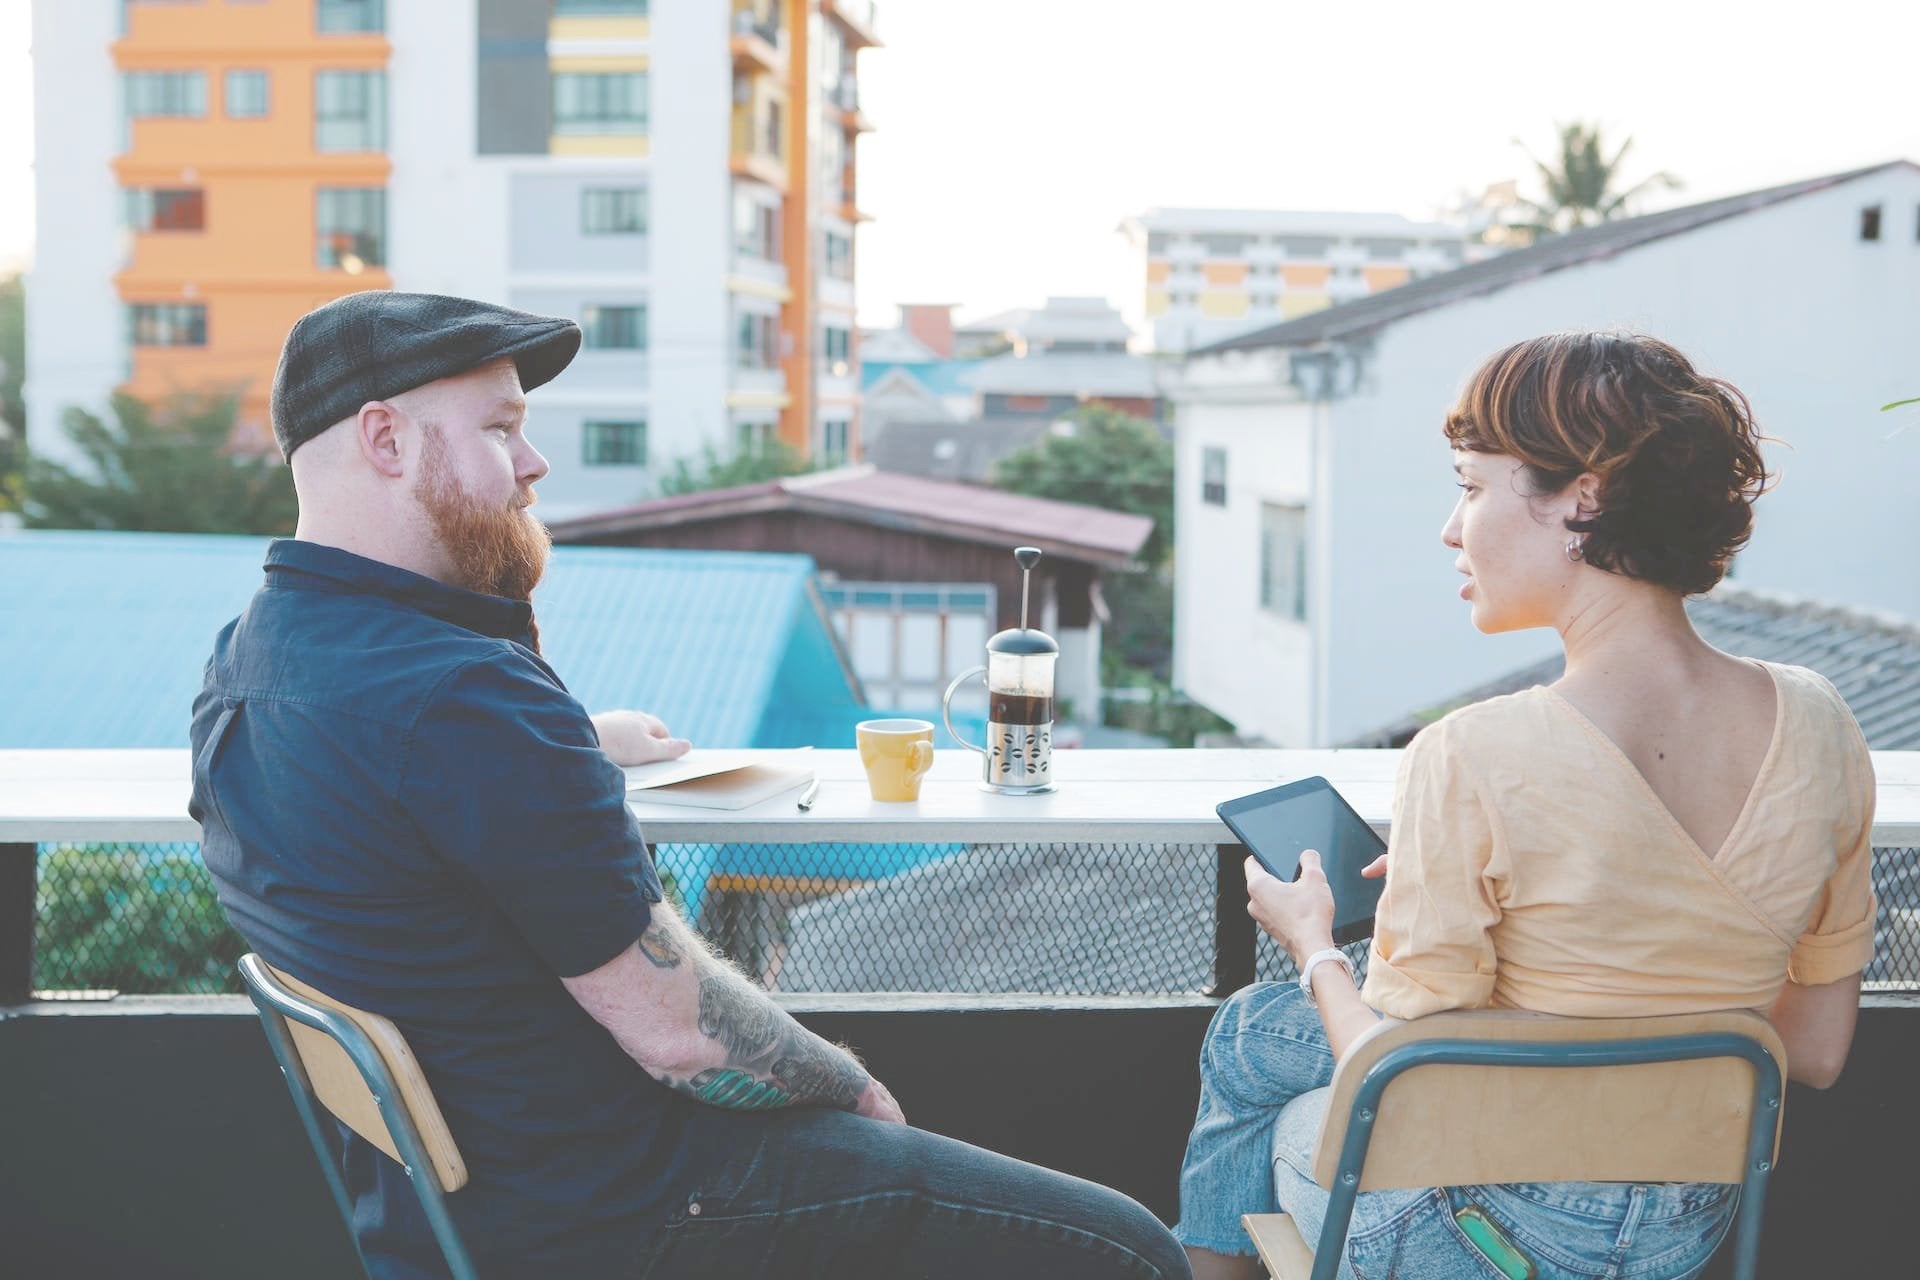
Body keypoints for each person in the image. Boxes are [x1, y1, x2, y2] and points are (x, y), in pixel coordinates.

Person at [190, 291, 1189, 1280]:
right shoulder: (466, 700)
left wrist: (580, 738)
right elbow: (679, 1032)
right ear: (384, 439)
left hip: (443, 1226)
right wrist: (848, 1084)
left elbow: (402, 783)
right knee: (1127, 1248)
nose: (533, 465)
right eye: (502, 430)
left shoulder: (253, 660)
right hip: (631, 1214)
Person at [1174, 331, 1876, 1280]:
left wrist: (1309, 944)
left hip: (1478, 1235)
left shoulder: (1472, 751)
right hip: (1686, 1230)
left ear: (1583, 494)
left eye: (1470, 484)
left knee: (1278, 1072)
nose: (1450, 528)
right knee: (1260, 1033)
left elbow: (1393, 1072)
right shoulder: (1822, 722)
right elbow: (1818, 1051)